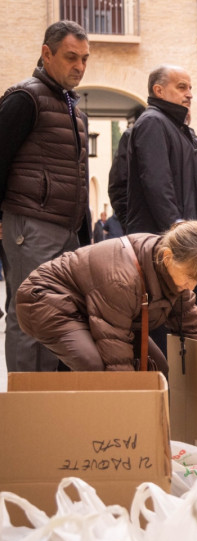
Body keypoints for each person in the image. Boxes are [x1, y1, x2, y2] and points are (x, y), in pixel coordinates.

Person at [0, 20, 93, 372]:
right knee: (29, 316)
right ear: (46, 53)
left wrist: (84, 235)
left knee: (59, 319)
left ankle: (50, 404)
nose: (80, 67)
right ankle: (28, 409)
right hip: (30, 227)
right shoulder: (24, 98)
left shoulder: (74, 110)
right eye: (71, 57)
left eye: (85, 59)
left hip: (66, 230)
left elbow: (77, 177)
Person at [15, 220, 197, 372]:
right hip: (45, 298)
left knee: (159, 369)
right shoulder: (122, 279)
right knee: (94, 365)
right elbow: (115, 354)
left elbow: (191, 328)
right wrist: (127, 413)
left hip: (94, 307)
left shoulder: (176, 269)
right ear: (168, 257)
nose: (192, 286)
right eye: (190, 277)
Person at [126, 64, 197, 314]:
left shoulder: (182, 131)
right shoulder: (152, 122)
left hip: (189, 247)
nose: (189, 94)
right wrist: (181, 238)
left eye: (190, 88)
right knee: (164, 324)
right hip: (172, 249)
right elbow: (158, 185)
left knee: (187, 321)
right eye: (182, 87)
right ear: (159, 90)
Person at [108, 104, 145, 232]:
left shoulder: (190, 141)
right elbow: (117, 187)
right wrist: (130, 225)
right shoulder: (131, 138)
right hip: (143, 232)